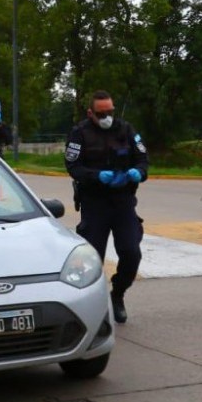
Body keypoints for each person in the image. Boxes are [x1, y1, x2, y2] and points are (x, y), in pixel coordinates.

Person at [65, 90, 148, 324]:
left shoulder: (126, 130)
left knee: (131, 252)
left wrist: (138, 173)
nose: (107, 117)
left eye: (110, 112)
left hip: (123, 203)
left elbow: (143, 160)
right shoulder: (80, 133)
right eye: (101, 114)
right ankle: (93, 306)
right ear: (91, 113)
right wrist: (96, 176)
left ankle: (118, 294)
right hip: (95, 203)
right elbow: (73, 166)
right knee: (92, 259)